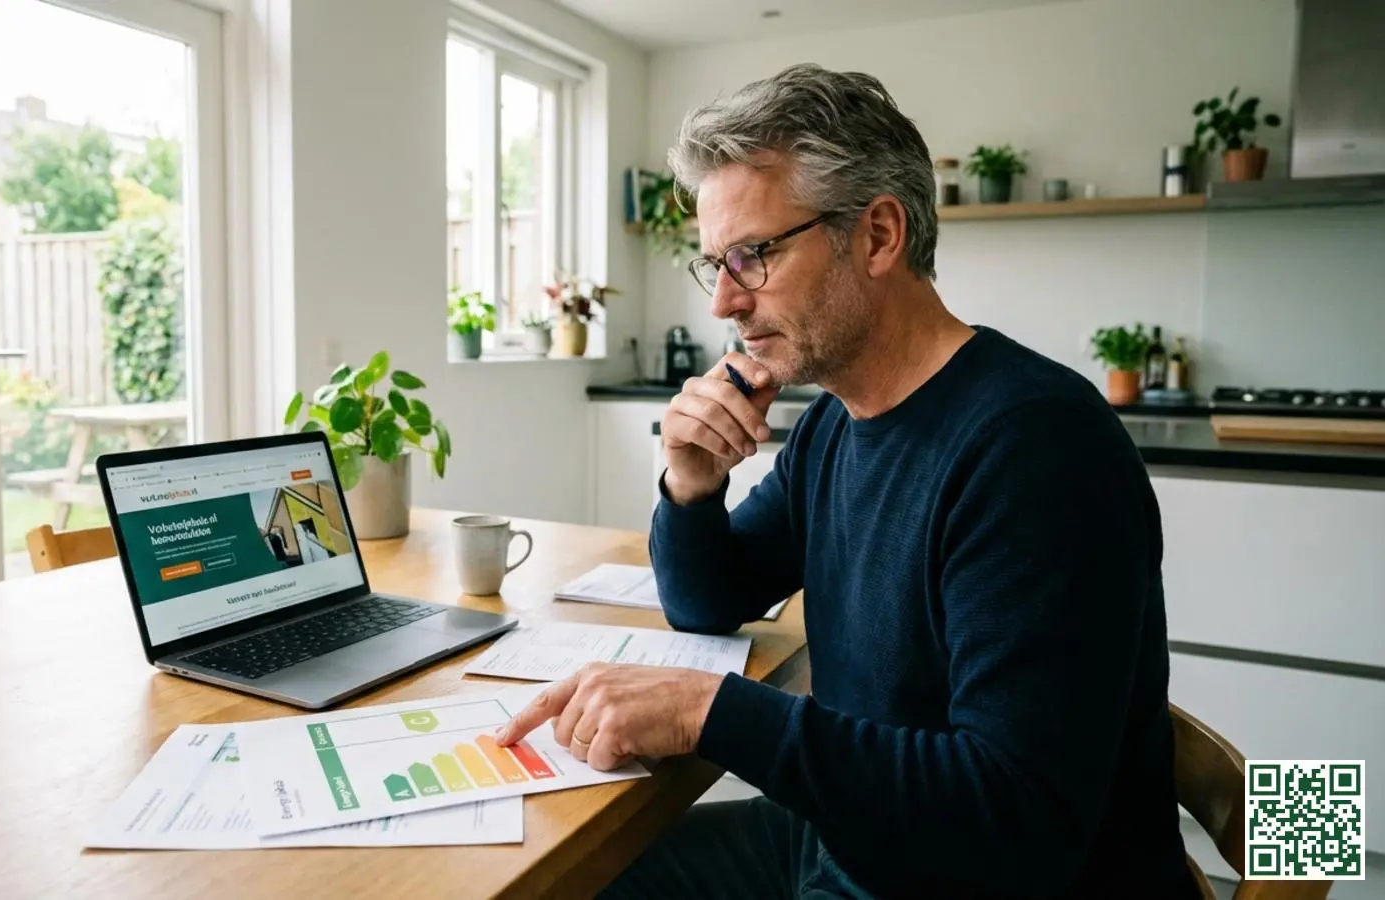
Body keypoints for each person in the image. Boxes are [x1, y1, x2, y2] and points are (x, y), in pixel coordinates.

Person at [497, 63, 1195, 898]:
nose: (723, 301)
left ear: (877, 236)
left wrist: (707, 713)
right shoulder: (837, 420)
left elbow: (1018, 820)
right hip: (859, 838)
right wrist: (689, 488)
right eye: (714, 263)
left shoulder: (1034, 446)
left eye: (752, 256)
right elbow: (711, 601)